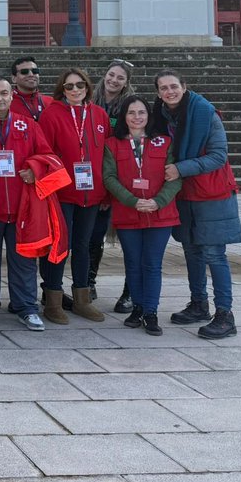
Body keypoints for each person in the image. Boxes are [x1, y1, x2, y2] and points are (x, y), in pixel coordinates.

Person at [153, 70, 241, 339]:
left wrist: (181, 168)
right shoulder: (161, 115)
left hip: (212, 193)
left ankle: (225, 315)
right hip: (184, 193)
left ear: (184, 87)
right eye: (164, 88)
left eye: (174, 86)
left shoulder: (206, 113)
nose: (169, 92)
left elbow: (218, 155)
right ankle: (199, 304)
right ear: (158, 93)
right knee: (191, 252)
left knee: (214, 254)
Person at [0, 76, 50, 333]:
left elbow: (46, 156)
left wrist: (34, 169)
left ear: (12, 95)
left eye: (4, 93)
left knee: (24, 260)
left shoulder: (28, 125)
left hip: (21, 207)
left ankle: (26, 307)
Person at [103, 96, 181, 336]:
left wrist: (157, 202)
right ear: (124, 117)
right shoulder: (112, 144)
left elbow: (175, 178)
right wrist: (133, 201)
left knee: (152, 264)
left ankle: (151, 311)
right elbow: (109, 178)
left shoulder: (164, 142)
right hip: (129, 213)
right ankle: (137, 307)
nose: (137, 117)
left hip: (160, 214)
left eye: (141, 112)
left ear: (149, 116)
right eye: (131, 113)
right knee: (133, 264)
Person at [37, 68, 110, 324]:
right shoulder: (52, 114)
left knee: (83, 245)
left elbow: (107, 156)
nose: (75, 90)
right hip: (62, 193)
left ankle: (82, 299)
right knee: (60, 246)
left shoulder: (99, 115)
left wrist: (107, 192)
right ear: (62, 89)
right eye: (69, 86)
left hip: (92, 193)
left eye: (80, 85)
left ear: (88, 87)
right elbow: (44, 152)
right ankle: (53, 298)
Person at [92, 58, 137, 313]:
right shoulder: (91, 99)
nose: (114, 80)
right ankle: (88, 283)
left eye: (120, 78)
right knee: (94, 235)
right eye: (111, 75)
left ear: (126, 82)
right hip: (95, 176)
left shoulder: (131, 106)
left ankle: (131, 292)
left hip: (122, 176)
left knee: (129, 238)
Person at [10, 56, 47, 123]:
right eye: (24, 72)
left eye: (35, 71)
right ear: (14, 78)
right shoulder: (6, 104)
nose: (31, 74)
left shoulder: (50, 102)